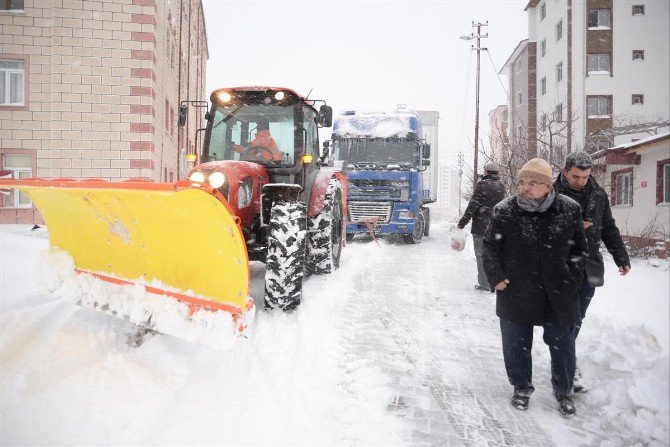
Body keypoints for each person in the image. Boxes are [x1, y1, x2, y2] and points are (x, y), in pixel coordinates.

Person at [483, 157, 587, 417]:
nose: (524, 188)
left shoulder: (569, 209)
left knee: (562, 344)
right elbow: (490, 247)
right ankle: (521, 387)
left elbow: (580, 250)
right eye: (521, 182)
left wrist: (572, 278)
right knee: (516, 344)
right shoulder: (504, 210)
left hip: (558, 291)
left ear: (547, 186)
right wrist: (496, 276)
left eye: (532, 183)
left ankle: (563, 391)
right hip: (516, 289)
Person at [553, 151, 630, 393]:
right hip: (560, 266)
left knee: (577, 318)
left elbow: (608, 227)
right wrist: (572, 225)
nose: (580, 181)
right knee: (563, 319)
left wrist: (621, 257)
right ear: (565, 171)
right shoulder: (551, 193)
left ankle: (566, 361)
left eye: (585, 177)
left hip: (589, 266)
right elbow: (542, 228)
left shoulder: (598, 194)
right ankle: (566, 367)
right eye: (576, 176)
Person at [457, 162, 506, 291]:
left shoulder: (482, 185)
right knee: (494, 256)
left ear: (486, 172)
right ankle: (495, 282)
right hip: (496, 227)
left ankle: (485, 284)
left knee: (481, 255)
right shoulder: (502, 186)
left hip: (481, 226)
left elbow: (472, 206)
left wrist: (462, 223)